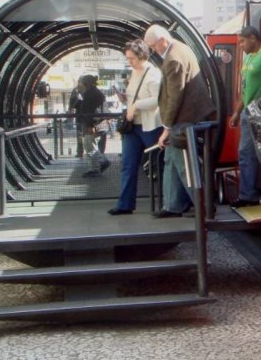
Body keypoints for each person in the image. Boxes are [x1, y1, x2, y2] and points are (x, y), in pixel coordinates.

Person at [143, 24, 215, 218]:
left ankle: (204, 207)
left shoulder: (173, 58)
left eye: (152, 46)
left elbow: (176, 96)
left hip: (184, 118)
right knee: (171, 160)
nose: (152, 50)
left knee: (185, 166)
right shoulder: (180, 49)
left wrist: (166, 128)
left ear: (162, 41)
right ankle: (172, 205)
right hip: (188, 116)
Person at [108, 40, 163, 216]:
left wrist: (136, 104)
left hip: (150, 126)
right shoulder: (135, 72)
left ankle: (172, 201)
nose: (129, 61)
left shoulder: (153, 74)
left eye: (132, 58)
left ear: (141, 56)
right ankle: (125, 204)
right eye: (128, 58)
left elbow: (158, 99)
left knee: (160, 164)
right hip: (133, 127)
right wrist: (126, 98)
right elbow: (135, 97)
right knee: (128, 165)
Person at [228, 26, 261, 208]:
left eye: (242, 41)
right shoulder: (249, 58)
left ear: (253, 38)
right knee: (246, 154)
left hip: (259, 112)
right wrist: (237, 112)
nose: (241, 45)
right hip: (247, 112)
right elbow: (245, 90)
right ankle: (248, 195)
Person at [76, 74, 111, 177]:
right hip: (102, 123)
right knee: (90, 143)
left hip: (96, 123)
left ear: (85, 83)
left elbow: (88, 111)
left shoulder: (90, 94)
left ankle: (97, 166)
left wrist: (88, 126)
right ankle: (99, 163)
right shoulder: (96, 92)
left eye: (81, 82)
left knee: (88, 143)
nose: (79, 84)